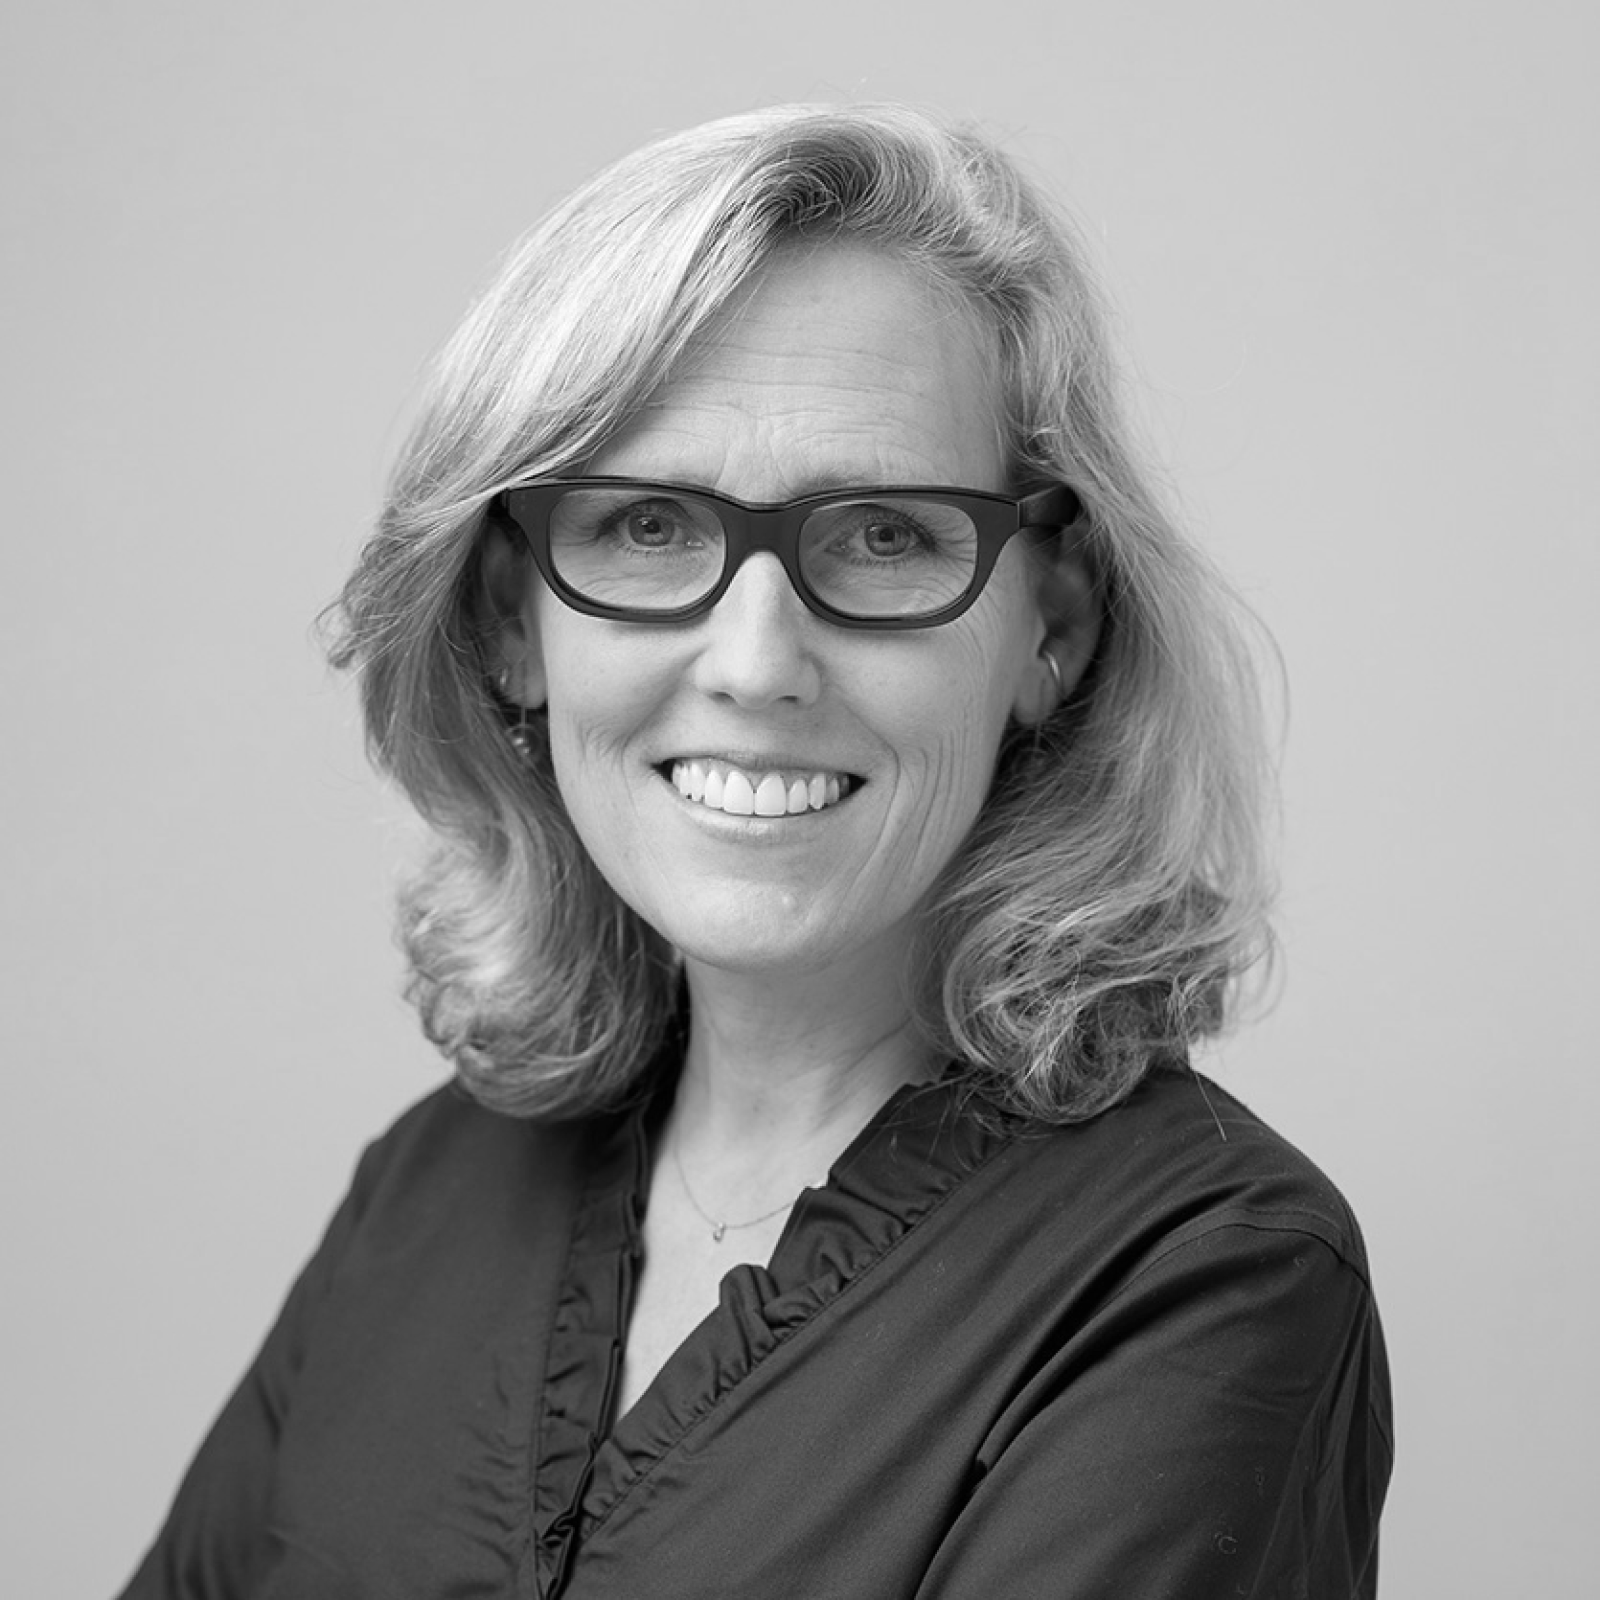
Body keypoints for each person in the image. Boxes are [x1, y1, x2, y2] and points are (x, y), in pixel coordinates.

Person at [118, 104, 1392, 1599]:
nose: (758, 663)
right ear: (510, 623)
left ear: (1052, 624)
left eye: (885, 535)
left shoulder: (1201, 1280)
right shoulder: (430, 1191)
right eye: (648, 523)